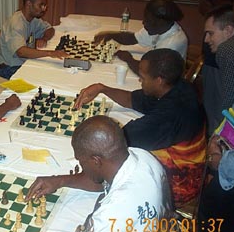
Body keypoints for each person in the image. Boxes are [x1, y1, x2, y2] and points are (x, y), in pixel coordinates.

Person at [74, 48, 205, 207]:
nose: (139, 81)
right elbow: (132, 100)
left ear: (159, 80)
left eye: (142, 77)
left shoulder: (166, 118)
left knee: (103, 167)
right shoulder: (176, 87)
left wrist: (60, 180)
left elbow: (111, 148)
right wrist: (102, 88)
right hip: (191, 167)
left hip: (177, 184)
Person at [26, 116, 172, 231]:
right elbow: (100, 183)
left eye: (81, 161)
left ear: (96, 161)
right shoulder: (141, 156)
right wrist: (59, 181)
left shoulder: (110, 216)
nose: (81, 165)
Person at [198, 0, 234, 232]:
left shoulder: (231, 51)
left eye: (210, 33)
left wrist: (218, 162)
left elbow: (228, 110)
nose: (206, 39)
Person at [94, 0, 187, 75]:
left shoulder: (172, 44)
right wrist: (111, 35)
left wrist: (128, 59)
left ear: (161, 22)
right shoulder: (161, 28)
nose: (143, 23)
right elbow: (133, 38)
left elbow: (149, 74)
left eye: (148, 20)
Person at [0, 0, 68, 79]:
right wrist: (50, 53)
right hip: (9, 69)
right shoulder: (16, 23)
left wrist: (44, 38)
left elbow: (50, 29)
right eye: (41, 5)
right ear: (29, 4)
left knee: (54, 72)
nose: (44, 9)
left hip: (24, 63)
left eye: (45, 5)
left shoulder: (34, 19)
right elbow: (21, 52)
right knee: (47, 77)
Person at [202, 5, 234, 135]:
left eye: (211, 33)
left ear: (228, 30)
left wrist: (218, 136)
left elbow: (229, 102)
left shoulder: (228, 50)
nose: (206, 39)